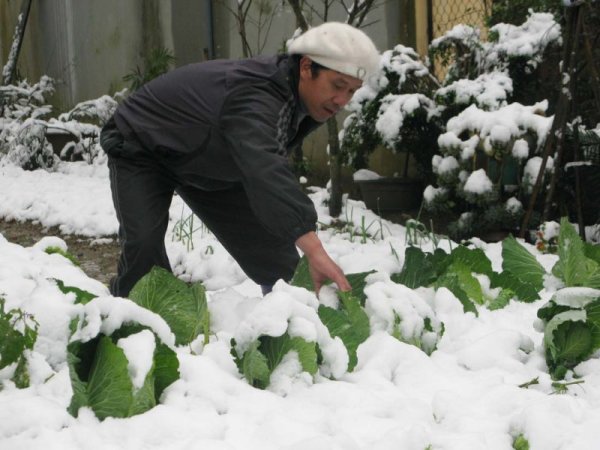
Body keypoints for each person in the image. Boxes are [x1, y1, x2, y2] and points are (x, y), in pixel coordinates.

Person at [100, 22, 380, 297]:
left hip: (209, 159)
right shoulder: (258, 95)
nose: (342, 100)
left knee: (281, 265)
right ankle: (127, 324)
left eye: (351, 91)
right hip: (143, 144)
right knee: (144, 252)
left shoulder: (304, 98)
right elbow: (264, 166)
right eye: (338, 85)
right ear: (307, 67)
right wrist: (315, 249)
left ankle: (298, 323)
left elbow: (261, 166)